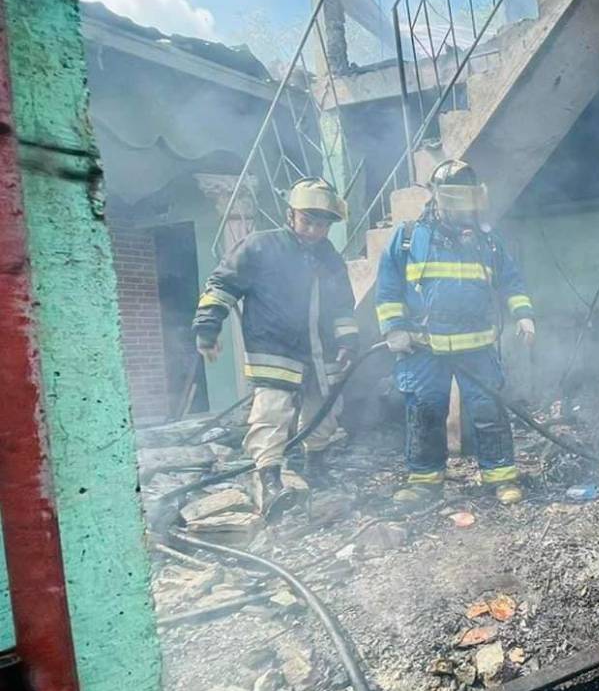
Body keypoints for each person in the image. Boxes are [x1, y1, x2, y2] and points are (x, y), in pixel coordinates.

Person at [192, 177, 359, 521]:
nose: (313, 230)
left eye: (322, 224)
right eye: (307, 221)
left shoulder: (330, 258)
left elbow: (343, 305)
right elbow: (222, 285)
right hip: (275, 348)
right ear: (290, 215)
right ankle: (269, 480)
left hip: (321, 352)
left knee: (324, 411)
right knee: (271, 414)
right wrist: (207, 328)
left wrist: (347, 339)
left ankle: (317, 466)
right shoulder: (260, 247)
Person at [375, 160, 535, 509]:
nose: (462, 211)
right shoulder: (406, 239)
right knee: (425, 409)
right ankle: (424, 483)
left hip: (476, 344)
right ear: (436, 199)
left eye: (467, 202)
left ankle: (501, 478)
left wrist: (523, 315)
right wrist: (394, 328)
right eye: (454, 202)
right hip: (423, 347)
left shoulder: (487, 242)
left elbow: (511, 280)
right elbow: (387, 290)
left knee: (488, 408)